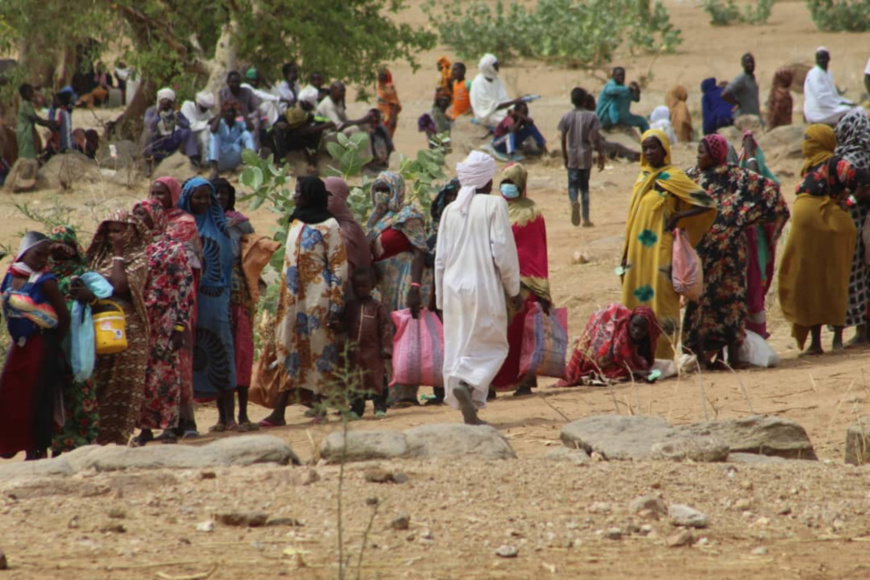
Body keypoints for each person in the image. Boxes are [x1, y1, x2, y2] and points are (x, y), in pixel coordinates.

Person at [683, 134, 789, 368]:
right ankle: (702, 357)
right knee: (701, 303)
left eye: (702, 152)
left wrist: (752, 220)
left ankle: (733, 354)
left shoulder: (738, 177)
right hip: (703, 254)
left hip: (732, 256)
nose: (698, 157)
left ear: (715, 154)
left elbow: (770, 191)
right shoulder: (691, 176)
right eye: (698, 152)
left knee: (732, 303)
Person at [435, 151, 521, 425]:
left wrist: (439, 298)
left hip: (452, 286)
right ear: (486, 180)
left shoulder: (450, 210)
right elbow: (503, 252)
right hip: (481, 283)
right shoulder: (495, 205)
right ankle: (467, 382)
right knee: (493, 343)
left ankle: (468, 406)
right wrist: (514, 289)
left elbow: (440, 258)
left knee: (461, 342)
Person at [258, 177, 347, 426]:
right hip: (291, 299)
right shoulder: (295, 221)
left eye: (298, 191)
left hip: (318, 298)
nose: (294, 195)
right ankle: (280, 412)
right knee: (287, 348)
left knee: (318, 350)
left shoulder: (330, 225)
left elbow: (338, 264)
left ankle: (316, 407)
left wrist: (335, 302)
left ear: (310, 193)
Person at [620, 129, 716, 359]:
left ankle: (663, 355)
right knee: (633, 299)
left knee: (661, 298)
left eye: (654, 147)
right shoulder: (642, 177)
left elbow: (706, 203)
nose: (650, 152)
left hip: (660, 248)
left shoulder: (672, 176)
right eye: (646, 148)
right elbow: (632, 217)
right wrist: (624, 253)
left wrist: (676, 219)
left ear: (665, 150)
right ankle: (636, 356)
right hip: (636, 250)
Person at [778, 125, 870, 355]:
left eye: (809, 139)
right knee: (811, 283)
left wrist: (848, 202)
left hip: (832, 230)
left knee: (834, 281)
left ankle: (837, 339)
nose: (805, 143)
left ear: (822, 141)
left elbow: (864, 180)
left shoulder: (836, 163)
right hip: (811, 235)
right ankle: (816, 342)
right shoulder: (811, 165)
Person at [0, 233, 69, 460]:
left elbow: (63, 316)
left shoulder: (45, 281)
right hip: (20, 344)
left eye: (46, 256)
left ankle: (36, 449)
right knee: (11, 391)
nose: (41, 260)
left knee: (36, 396)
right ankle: (13, 443)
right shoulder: (11, 275)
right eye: (37, 254)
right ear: (23, 252)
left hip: (40, 344)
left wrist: (51, 343)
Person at [131, 200, 194, 446]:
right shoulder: (134, 248)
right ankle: (145, 428)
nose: (138, 219)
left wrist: (180, 326)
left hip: (167, 319)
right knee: (143, 375)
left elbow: (184, 287)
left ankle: (169, 426)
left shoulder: (173, 248)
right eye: (135, 215)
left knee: (166, 373)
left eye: (143, 215)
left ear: (156, 217)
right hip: (141, 321)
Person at [86, 210, 151, 445]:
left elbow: (119, 286)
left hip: (127, 331)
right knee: (97, 386)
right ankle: (93, 441)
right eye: (110, 231)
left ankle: (115, 442)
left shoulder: (138, 257)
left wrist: (118, 254)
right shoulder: (95, 257)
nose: (113, 236)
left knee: (120, 388)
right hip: (95, 328)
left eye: (119, 231)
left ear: (131, 232)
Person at [365, 171, 429, 406]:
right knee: (384, 334)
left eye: (386, 190)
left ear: (397, 191)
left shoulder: (408, 216)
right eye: (378, 189)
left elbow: (420, 250)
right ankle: (389, 391)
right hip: (382, 284)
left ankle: (406, 393)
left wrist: (414, 286)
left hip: (403, 281)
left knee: (403, 332)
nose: (381, 195)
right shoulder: (375, 220)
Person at [178, 178, 237, 428]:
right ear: (187, 198)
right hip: (188, 301)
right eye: (197, 197)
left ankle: (227, 417)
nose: (202, 202)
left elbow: (227, 264)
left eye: (206, 197)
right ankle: (187, 421)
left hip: (216, 299)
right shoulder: (180, 226)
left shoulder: (220, 226)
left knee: (221, 352)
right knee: (188, 357)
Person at [491, 163, 550, 397]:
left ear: (522, 185)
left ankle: (524, 382)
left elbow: (537, 250)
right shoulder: (495, 208)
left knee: (522, 334)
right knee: (497, 333)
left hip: (526, 282)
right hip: (497, 281)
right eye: (504, 182)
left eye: (512, 183)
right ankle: (493, 383)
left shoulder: (532, 211)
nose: (508, 187)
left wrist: (541, 289)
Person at [150, 177, 202, 436]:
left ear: (174, 194)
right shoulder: (145, 221)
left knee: (181, 357)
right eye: (153, 193)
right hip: (153, 304)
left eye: (162, 193)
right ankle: (161, 421)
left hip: (181, 299)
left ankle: (187, 420)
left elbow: (192, 265)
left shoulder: (185, 224)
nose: (157, 198)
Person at [48, 225, 100, 454]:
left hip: (81, 343)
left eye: (65, 246)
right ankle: (59, 444)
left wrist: (89, 297)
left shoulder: (84, 272)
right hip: (53, 343)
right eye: (55, 246)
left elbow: (103, 301)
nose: (60, 251)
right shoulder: (44, 275)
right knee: (56, 393)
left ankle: (85, 443)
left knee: (82, 391)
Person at [213, 178, 258, 429]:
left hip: (238, 294)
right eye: (215, 193)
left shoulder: (241, 224)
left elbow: (253, 258)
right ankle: (222, 416)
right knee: (218, 353)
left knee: (241, 351)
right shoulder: (201, 222)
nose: (220, 197)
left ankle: (242, 414)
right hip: (212, 295)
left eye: (224, 193)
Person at [835, 109, 870, 346]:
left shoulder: (847, 160)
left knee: (855, 278)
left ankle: (860, 331)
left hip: (853, 223)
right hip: (867, 224)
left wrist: (848, 202)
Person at [559, 304, 659, 385]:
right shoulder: (619, 339)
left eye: (642, 329)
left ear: (649, 331)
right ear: (629, 322)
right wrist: (635, 373)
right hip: (599, 360)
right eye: (634, 326)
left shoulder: (647, 339)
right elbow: (608, 363)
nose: (637, 331)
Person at [343, 267, 392, 419]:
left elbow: (385, 327)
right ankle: (357, 408)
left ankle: (379, 406)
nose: (361, 289)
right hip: (355, 352)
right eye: (357, 286)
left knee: (377, 379)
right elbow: (345, 325)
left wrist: (386, 347)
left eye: (364, 286)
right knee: (355, 380)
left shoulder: (377, 307)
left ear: (372, 286)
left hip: (373, 352)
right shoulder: (351, 306)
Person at [559, 87, 605, 227]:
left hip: (572, 155)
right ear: (585, 100)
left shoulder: (566, 117)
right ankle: (585, 218)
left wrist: (565, 156)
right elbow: (596, 138)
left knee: (572, 184)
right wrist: (601, 154)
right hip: (586, 156)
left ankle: (574, 201)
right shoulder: (592, 116)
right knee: (584, 187)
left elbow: (562, 138)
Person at [325, 176, 372, 289]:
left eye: (329, 195)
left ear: (341, 199)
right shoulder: (327, 224)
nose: (323, 199)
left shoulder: (349, 229)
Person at [143, 88, 196, 177]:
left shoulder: (174, 112)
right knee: (148, 134)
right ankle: (148, 167)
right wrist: (158, 112)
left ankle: (193, 158)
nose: (166, 104)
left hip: (170, 140)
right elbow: (148, 124)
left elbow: (186, 124)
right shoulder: (151, 111)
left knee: (186, 131)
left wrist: (176, 115)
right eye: (164, 102)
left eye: (169, 102)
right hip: (157, 141)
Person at [470, 54, 524, 130]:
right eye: (495, 65)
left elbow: (504, 98)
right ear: (489, 67)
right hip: (486, 115)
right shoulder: (478, 82)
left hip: (498, 109)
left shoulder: (497, 80)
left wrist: (516, 102)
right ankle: (513, 134)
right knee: (511, 116)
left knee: (522, 108)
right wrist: (513, 102)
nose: (498, 67)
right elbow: (487, 107)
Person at [803, 48, 855, 126]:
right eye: (819, 59)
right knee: (853, 111)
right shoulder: (815, 74)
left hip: (828, 108)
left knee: (856, 109)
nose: (821, 60)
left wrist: (847, 102)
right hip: (818, 112)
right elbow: (822, 98)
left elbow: (834, 96)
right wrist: (841, 104)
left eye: (823, 58)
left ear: (828, 59)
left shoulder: (828, 73)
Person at [207, 100, 256, 179]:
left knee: (247, 134)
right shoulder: (220, 124)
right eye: (228, 112)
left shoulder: (239, 124)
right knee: (214, 136)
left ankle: (253, 166)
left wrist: (242, 110)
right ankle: (214, 171)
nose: (231, 114)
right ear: (224, 113)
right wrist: (221, 113)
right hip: (221, 161)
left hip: (235, 159)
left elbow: (251, 128)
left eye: (233, 112)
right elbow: (213, 130)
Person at [596, 67, 649, 133]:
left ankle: (648, 139)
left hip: (622, 117)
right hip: (605, 117)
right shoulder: (611, 84)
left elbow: (636, 99)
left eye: (622, 75)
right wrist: (628, 89)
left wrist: (636, 90)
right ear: (613, 76)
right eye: (618, 75)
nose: (621, 77)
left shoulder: (624, 88)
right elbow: (610, 91)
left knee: (642, 121)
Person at [16, 84, 54, 161]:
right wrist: (49, 124)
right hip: (25, 133)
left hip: (27, 131)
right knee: (27, 155)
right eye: (30, 91)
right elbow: (36, 119)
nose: (32, 93)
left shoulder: (28, 105)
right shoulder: (25, 105)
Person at [218, 71, 261, 137]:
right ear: (228, 83)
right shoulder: (223, 93)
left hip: (246, 118)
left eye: (237, 82)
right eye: (233, 82)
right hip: (230, 120)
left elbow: (257, 110)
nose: (235, 85)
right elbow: (222, 111)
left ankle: (254, 147)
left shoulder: (248, 92)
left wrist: (247, 115)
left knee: (255, 122)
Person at [180, 91, 216, 166]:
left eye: (206, 108)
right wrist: (208, 122)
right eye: (203, 108)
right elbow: (191, 125)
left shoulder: (207, 112)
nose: (205, 110)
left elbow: (210, 124)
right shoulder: (187, 105)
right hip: (185, 139)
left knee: (207, 135)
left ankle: (205, 161)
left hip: (199, 141)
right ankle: (193, 156)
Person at [722, 53, 761, 118]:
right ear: (742, 64)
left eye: (752, 62)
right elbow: (724, 94)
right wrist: (737, 103)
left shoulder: (751, 78)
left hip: (754, 117)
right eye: (747, 63)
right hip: (744, 119)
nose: (750, 65)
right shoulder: (741, 79)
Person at [376, 69, 401, 138]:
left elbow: (395, 103)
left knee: (387, 138)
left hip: (388, 118)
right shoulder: (379, 87)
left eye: (382, 75)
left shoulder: (389, 88)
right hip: (380, 117)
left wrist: (393, 119)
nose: (379, 77)